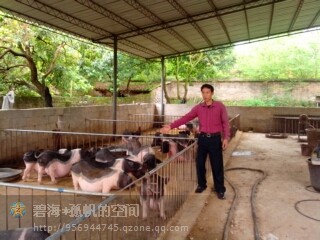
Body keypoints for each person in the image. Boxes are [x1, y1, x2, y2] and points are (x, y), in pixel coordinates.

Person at [160, 84, 230, 199]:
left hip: (215, 139)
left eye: (207, 92)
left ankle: (220, 189)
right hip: (202, 138)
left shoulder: (220, 106)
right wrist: (171, 126)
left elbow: (226, 123)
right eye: (203, 92)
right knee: (200, 163)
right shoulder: (199, 108)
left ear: (212, 93)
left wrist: (226, 138)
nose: (205, 95)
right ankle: (201, 185)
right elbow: (186, 118)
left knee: (217, 165)